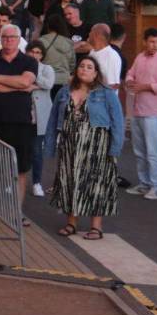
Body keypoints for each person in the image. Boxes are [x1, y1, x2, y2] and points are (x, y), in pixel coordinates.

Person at [45, 55, 124, 240]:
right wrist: (50, 145)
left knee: (96, 184)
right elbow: (52, 120)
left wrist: (115, 149)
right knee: (69, 181)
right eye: (82, 66)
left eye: (89, 67)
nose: (84, 69)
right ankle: (71, 223)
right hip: (69, 144)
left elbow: (117, 122)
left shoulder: (106, 93)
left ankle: (96, 227)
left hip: (97, 145)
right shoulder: (64, 92)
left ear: (96, 73)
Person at [0, 24, 40, 218]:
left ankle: (16, 211)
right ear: (0, 39)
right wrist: (18, 87)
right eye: (5, 37)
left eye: (12, 37)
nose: (8, 40)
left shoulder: (30, 62)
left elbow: (26, 81)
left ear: (18, 39)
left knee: (20, 169)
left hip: (21, 123)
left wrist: (0, 79)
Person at [125, 28, 157, 200]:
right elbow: (131, 73)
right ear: (145, 41)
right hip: (138, 110)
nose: (154, 45)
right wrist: (130, 81)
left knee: (153, 152)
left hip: (154, 112)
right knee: (139, 150)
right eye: (151, 41)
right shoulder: (140, 57)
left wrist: (143, 87)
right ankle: (144, 183)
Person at [25, 40, 56, 198]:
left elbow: (49, 84)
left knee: (37, 151)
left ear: (42, 55)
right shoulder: (21, 67)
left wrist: (33, 81)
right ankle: (14, 181)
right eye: (32, 52)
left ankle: (37, 182)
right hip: (23, 114)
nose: (35, 55)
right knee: (20, 149)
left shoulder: (47, 68)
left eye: (38, 52)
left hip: (40, 116)